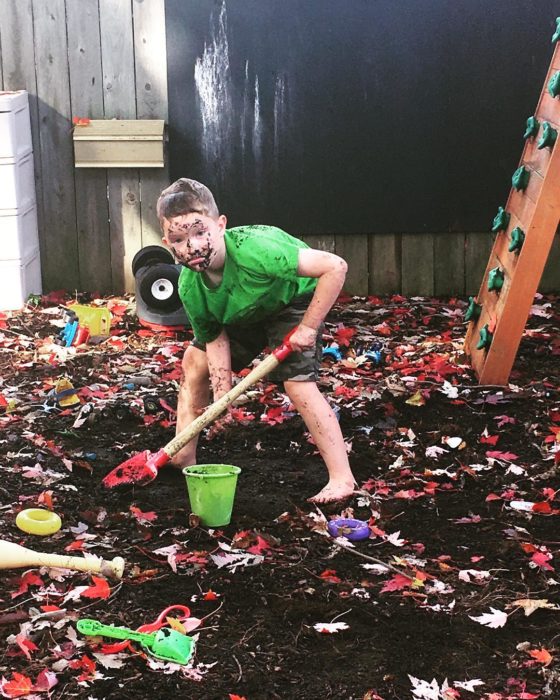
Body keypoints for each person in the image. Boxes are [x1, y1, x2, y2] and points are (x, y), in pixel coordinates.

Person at [156, 178, 356, 504]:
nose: (191, 246)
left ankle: (342, 479)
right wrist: (222, 398)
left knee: (297, 384)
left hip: (292, 301)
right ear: (167, 243)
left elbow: (335, 267)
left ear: (221, 226)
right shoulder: (191, 287)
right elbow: (215, 337)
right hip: (244, 310)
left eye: (199, 232)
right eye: (179, 239)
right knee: (194, 361)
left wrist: (307, 327)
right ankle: (182, 454)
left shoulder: (257, 251)